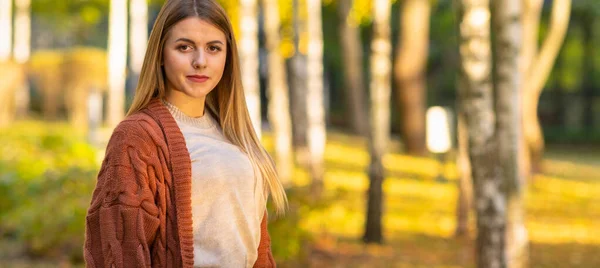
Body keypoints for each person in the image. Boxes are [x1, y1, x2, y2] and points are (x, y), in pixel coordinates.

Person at [83, 0, 287, 267]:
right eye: (184, 47)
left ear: (227, 57)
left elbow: (255, 247)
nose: (200, 61)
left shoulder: (236, 135)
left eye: (214, 48)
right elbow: (119, 253)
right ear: (160, 55)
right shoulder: (138, 137)